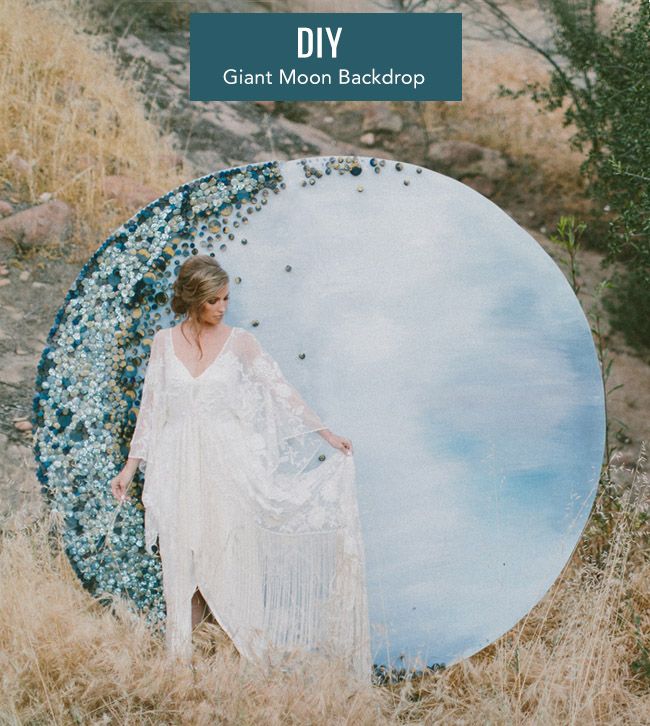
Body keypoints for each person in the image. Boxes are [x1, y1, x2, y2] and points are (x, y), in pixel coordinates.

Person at [110, 255, 371, 679]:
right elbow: (151, 411)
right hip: (178, 468)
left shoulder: (241, 343)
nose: (223, 307)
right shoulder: (162, 343)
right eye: (215, 300)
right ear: (194, 301)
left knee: (229, 558)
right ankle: (181, 670)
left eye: (227, 298)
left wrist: (325, 433)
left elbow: (281, 391)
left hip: (227, 469)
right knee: (181, 560)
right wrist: (129, 470)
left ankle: (239, 667)